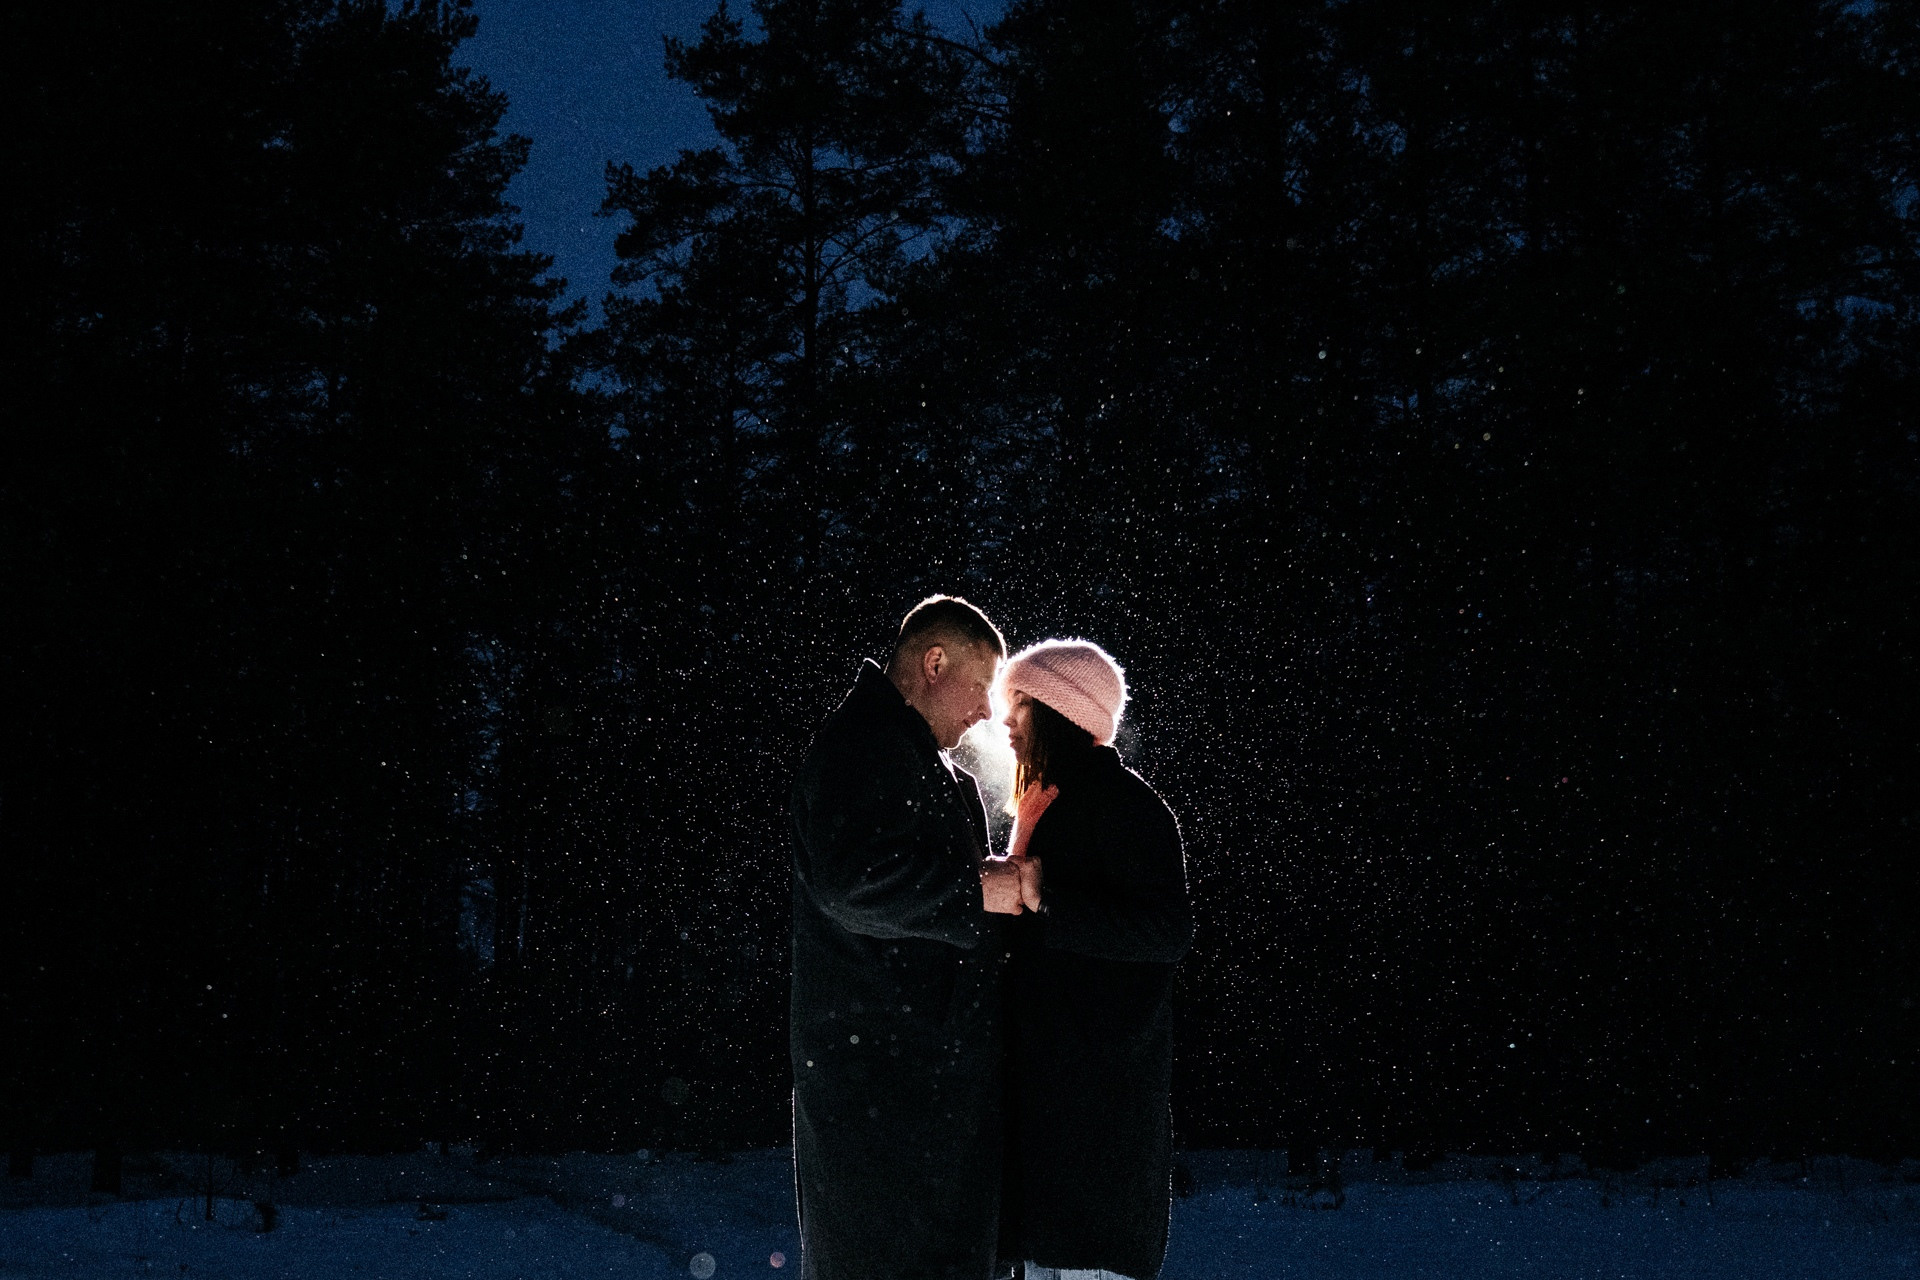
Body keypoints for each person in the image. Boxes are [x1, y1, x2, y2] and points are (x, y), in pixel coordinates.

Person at [788, 595, 1027, 1280]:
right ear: (934, 662)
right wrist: (977, 890)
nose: (985, 713)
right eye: (982, 687)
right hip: (882, 1098)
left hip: (918, 1092)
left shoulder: (915, 756)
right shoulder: (861, 744)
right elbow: (851, 883)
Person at [993, 640, 1194, 1280]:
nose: (1005, 721)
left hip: (1098, 1112)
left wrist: (1044, 899)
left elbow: (1165, 932)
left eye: (1020, 704)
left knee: (1083, 1259)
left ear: (1060, 711)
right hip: (1054, 1108)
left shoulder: (1125, 805)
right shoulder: (1045, 804)